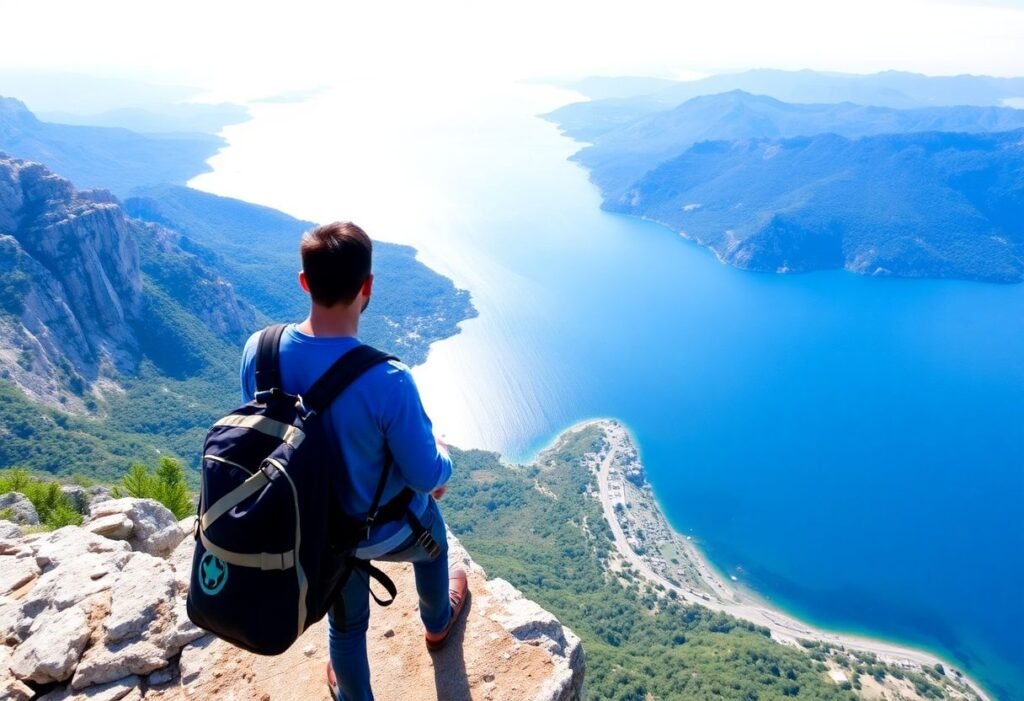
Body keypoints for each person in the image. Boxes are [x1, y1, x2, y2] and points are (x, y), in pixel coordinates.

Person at [238, 221, 469, 701]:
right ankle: (437, 623)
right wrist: (442, 460)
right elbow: (427, 475)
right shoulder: (388, 380)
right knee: (433, 532)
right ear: (367, 288)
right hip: (385, 530)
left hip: (313, 535)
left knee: (345, 628)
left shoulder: (259, 352)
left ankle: (351, 694)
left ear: (304, 282)